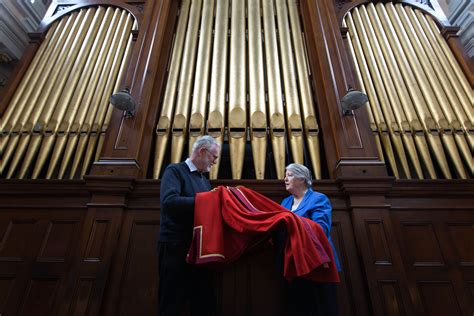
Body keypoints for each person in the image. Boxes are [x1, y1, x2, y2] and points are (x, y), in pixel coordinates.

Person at [158, 135, 220, 316]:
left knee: (202, 301)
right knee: (172, 300)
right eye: (213, 157)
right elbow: (169, 202)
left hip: (199, 249)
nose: (215, 162)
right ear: (202, 151)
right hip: (175, 245)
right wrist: (207, 201)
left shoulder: (204, 180)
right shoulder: (175, 170)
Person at [280, 163, 341, 316]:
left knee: (322, 308)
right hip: (294, 265)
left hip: (318, 264)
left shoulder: (318, 199)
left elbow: (321, 228)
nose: (285, 179)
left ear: (302, 179)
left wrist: (293, 224)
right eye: (286, 175)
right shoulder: (285, 202)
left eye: (289, 175)